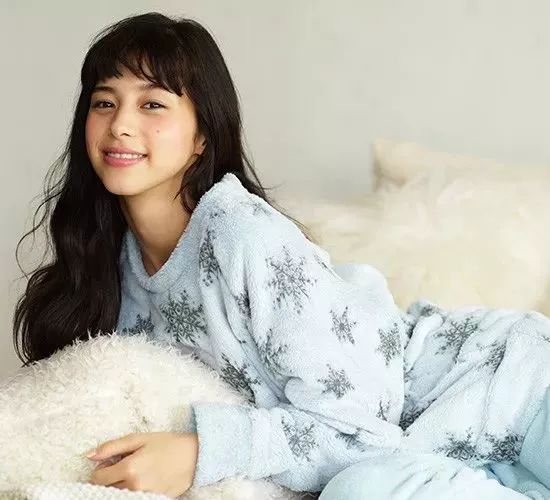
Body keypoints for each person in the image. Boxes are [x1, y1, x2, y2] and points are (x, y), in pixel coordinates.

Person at [12, 12, 550, 500]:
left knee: (360, 489)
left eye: (152, 103)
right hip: (450, 459)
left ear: (202, 136)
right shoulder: (110, 268)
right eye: (104, 102)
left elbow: (363, 431)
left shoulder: (241, 233)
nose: (120, 124)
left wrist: (200, 451)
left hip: (513, 388)